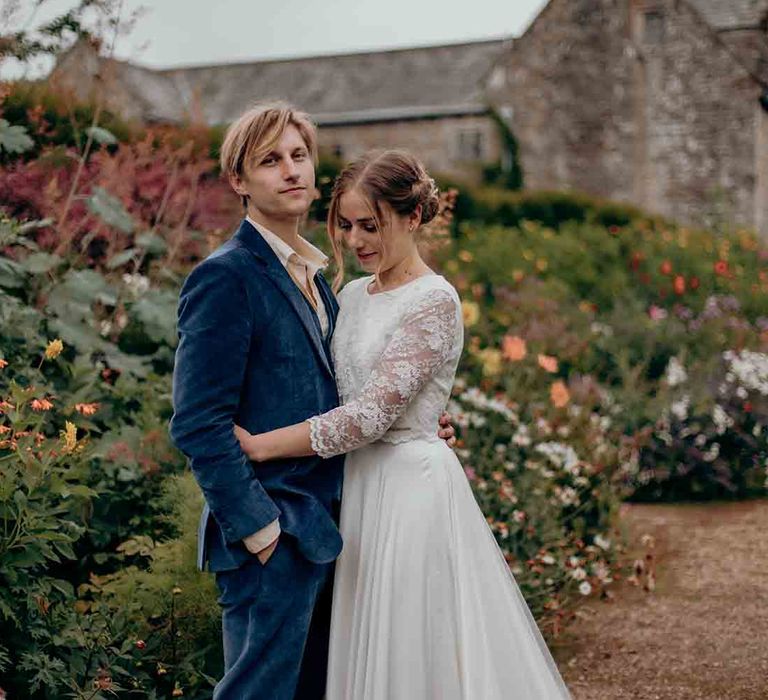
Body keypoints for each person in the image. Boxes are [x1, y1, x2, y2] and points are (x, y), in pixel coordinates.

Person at [235, 149, 573, 699]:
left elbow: (369, 417)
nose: (355, 240)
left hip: (411, 492)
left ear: (413, 217)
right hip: (360, 488)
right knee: (365, 643)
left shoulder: (434, 300)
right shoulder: (348, 294)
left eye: (372, 225)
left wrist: (261, 447)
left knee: (412, 647)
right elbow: (344, 388)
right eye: (345, 225)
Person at [168, 103, 454, 700]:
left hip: (334, 532)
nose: (291, 170)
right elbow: (198, 423)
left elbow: (348, 388)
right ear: (240, 181)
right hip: (273, 540)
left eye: (299, 155)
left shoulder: (320, 281)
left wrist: (421, 420)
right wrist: (260, 532)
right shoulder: (227, 276)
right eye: (270, 160)